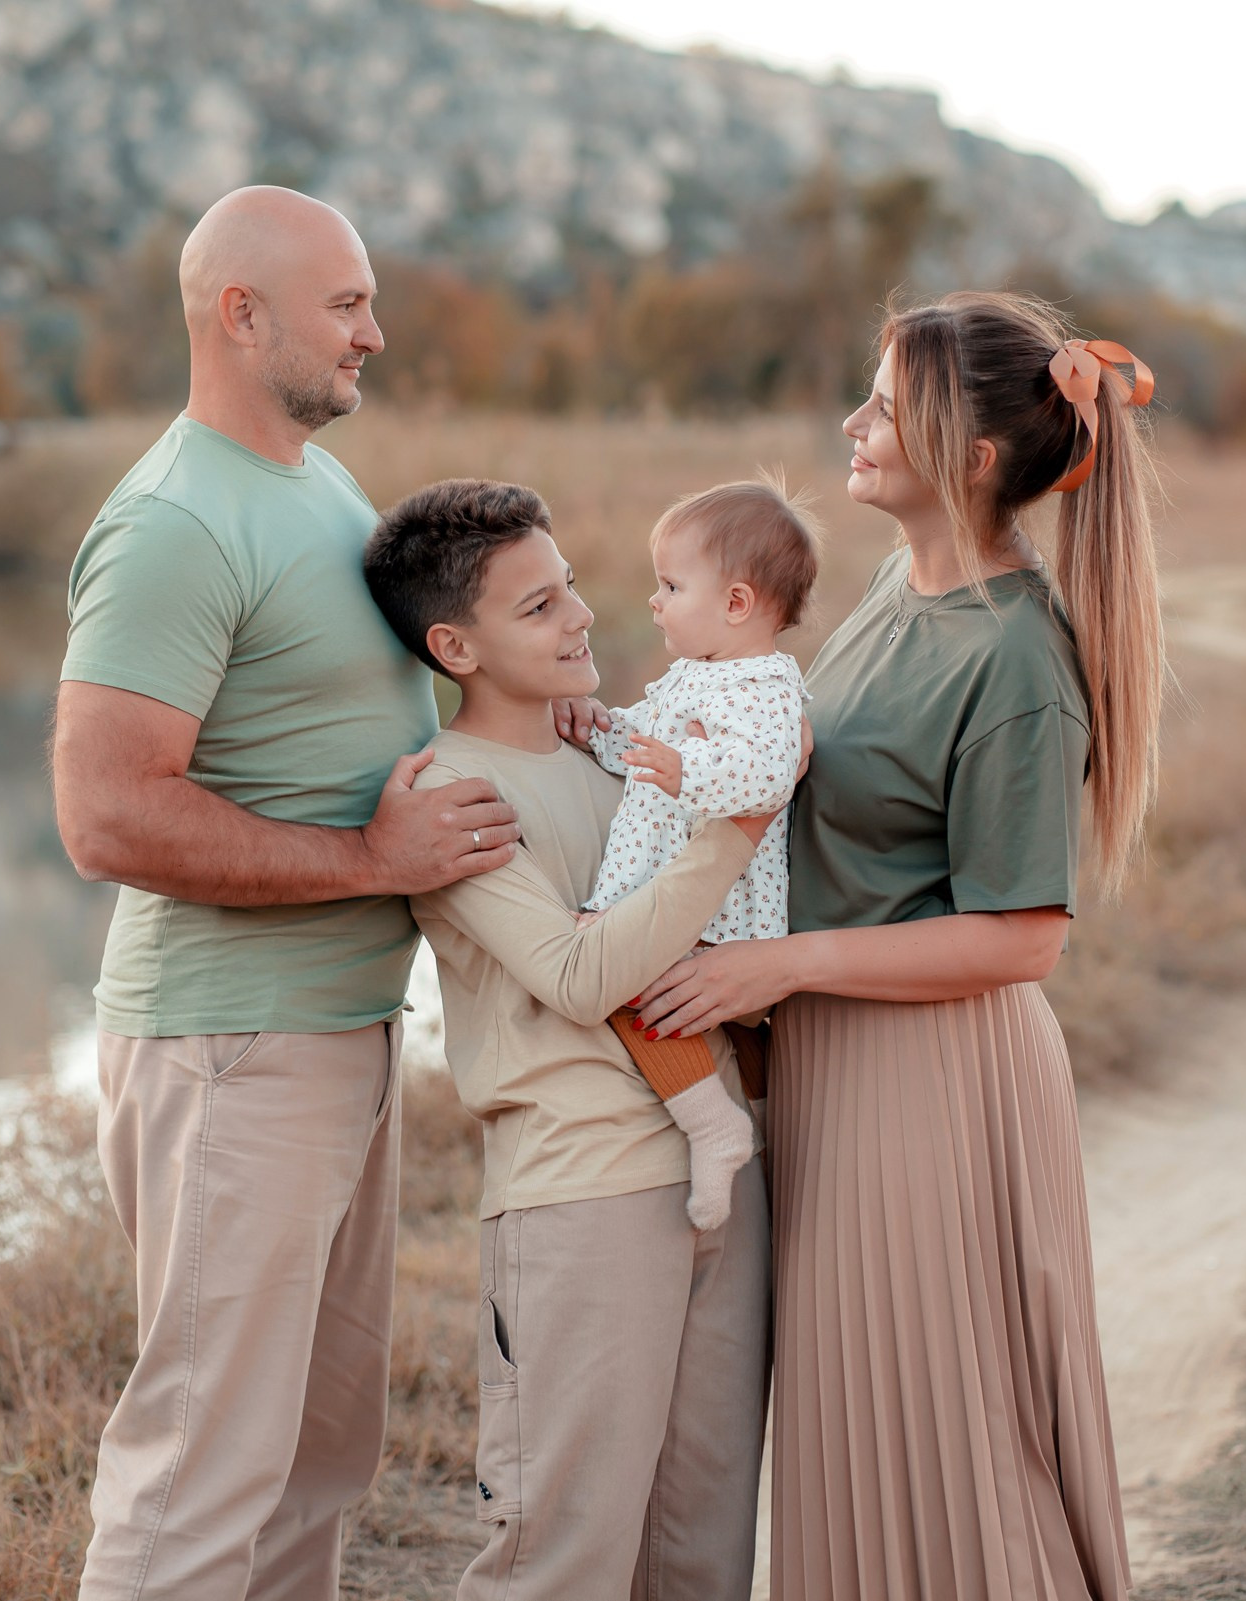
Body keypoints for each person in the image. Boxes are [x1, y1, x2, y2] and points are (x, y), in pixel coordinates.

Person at [634, 292, 1164, 1599]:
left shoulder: (1016, 660)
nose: (851, 424)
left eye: (882, 407)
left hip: (935, 1082)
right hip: (834, 1063)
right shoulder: (891, 587)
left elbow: (1023, 939)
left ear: (970, 460)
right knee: (858, 1433)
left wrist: (780, 967)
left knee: (951, 1442)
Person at [49, 187, 525, 1601]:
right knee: (199, 1478)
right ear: (240, 315)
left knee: (316, 1463)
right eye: (347, 305)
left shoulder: (317, 485)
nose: (375, 333)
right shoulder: (174, 522)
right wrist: (373, 865)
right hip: (230, 1048)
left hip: (335, 1031)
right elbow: (104, 812)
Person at [360, 478, 777, 1601]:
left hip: (721, 1171)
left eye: (572, 587)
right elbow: (581, 976)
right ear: (455, 647)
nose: (582, 616)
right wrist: (738, 825)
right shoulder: (452, 793)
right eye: (538, 606)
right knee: (561, 1557)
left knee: (704, 1546)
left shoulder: (612, 749)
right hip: (580, 1195)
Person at [575, 479, 819, 1229]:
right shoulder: (697, 673)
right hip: (680, 884)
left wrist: (689, 769)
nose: (655, 602)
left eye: (672, 586)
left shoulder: (766, 684)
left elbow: (769, 772)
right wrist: (600, 729)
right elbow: (647, 745)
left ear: (737, 603)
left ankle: (713, 1125)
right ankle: (762, 1118)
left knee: (627, 983)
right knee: (730, 1026)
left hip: (717, 901)